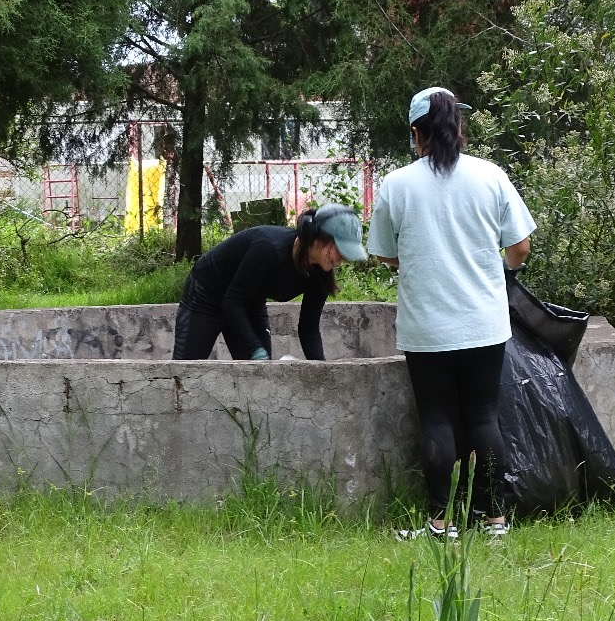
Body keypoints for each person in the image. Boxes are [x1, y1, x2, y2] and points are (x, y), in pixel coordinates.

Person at [368, 86, 536, 540]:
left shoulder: (397, 184)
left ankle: (441, 524)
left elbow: (383, 252)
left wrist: (415, 259)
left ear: (416, 133)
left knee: (437, 418)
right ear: (457, 126)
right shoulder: (490, 176)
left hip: (426, 326)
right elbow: (520, 246)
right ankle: (494, 520)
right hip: (484, 323)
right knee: (484, 416)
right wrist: (502, 271)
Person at [172, 203, 367, 361]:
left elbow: (308, 328)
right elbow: (232, 301)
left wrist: (322, 372)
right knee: (185, 372)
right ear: (316, 240)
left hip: (248, 302)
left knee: (259, 378)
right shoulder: (269, 248)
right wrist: (254, 348)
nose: (342, 259)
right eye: (340, 250)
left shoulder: (321, 273)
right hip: (206, 295)